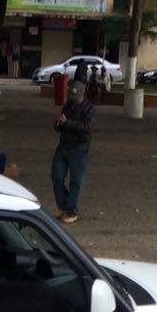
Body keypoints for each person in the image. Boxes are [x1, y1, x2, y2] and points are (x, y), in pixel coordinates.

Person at [51, 79, 94, 224]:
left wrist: (67, 122)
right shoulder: (68, 106)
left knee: (76, 181)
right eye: (72, 98)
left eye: (76, 98)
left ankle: (71, 210)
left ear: (82, 95)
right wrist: (58, 123)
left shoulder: (89, 108)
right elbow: (59, 127)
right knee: (56, 176)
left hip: (79, 149)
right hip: (63, 146)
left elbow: (86, 127)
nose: (74, 101)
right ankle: (63, 206)